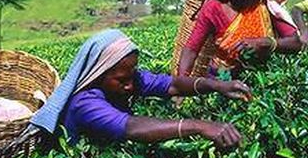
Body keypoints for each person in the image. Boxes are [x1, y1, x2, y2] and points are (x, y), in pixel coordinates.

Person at [24, 29, 251, 149]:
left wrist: (216, 85)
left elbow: (171, 84)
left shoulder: (128, 78)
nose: (130, 85)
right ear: (98, 75)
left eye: (131, 76)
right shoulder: (86, 103)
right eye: (121, 80)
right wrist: (199, 126)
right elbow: (131, 127)